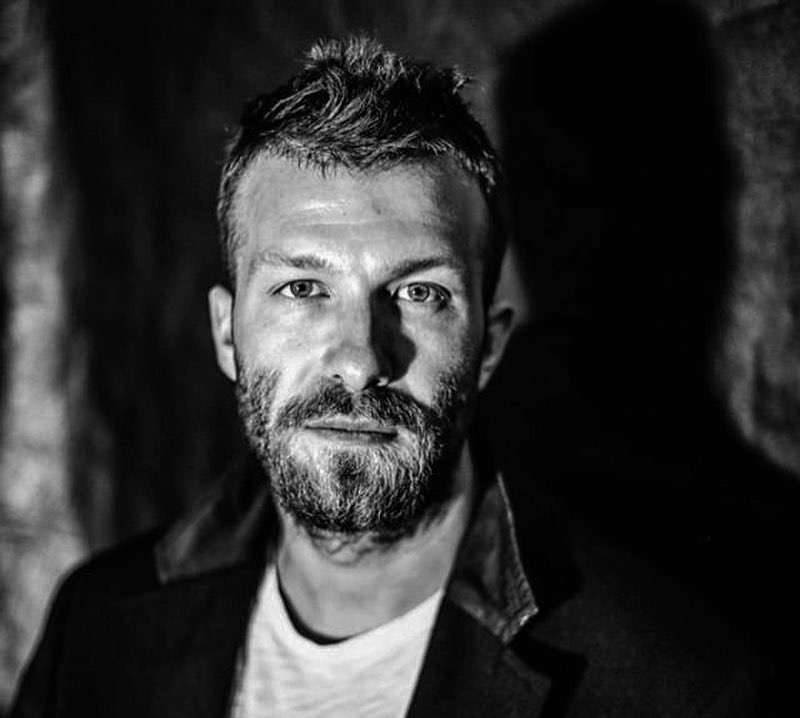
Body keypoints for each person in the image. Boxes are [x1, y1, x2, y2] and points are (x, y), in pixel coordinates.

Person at [11, 36, 769, 718]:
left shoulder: (678, 690)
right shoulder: (95, 627)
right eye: (302, 288)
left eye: (419, 293)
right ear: (226, 333)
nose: (361, 360)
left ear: (490, 346)